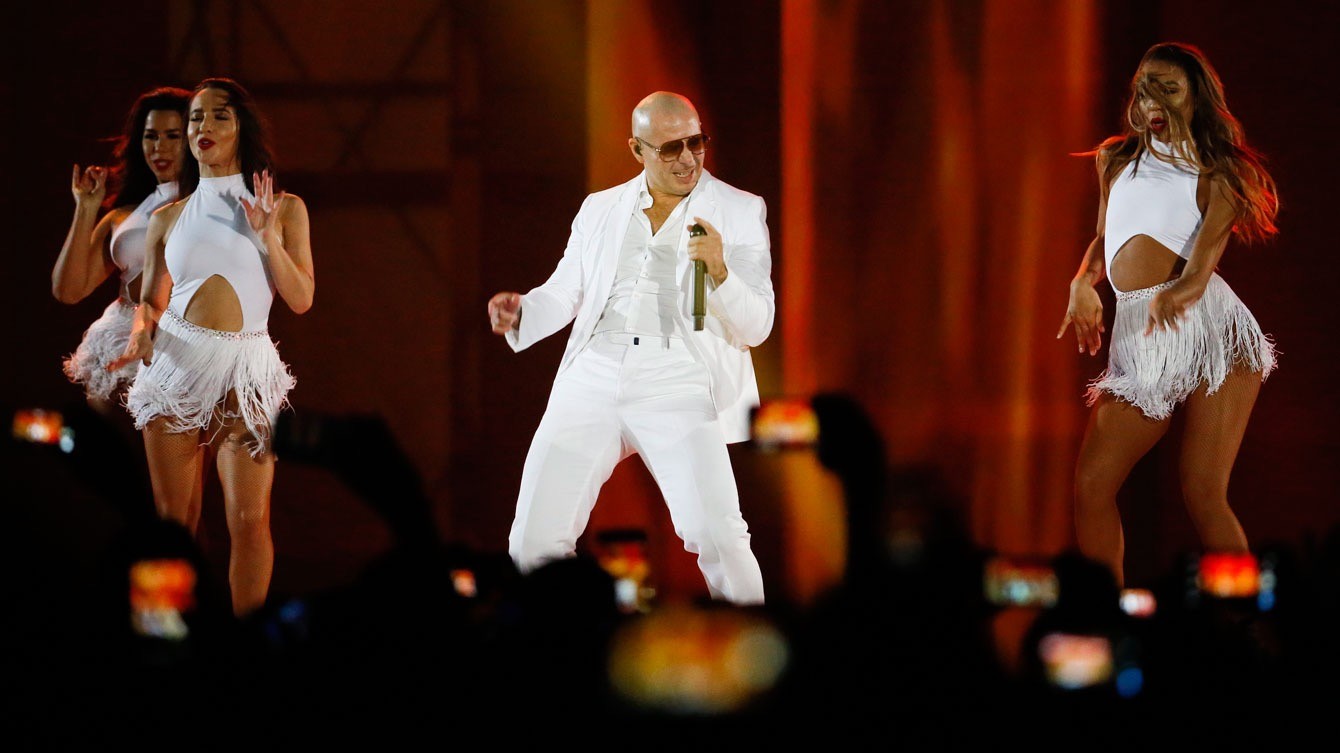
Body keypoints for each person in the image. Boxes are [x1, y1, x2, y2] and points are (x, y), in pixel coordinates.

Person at [487, 91, 772, 605]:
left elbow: (757, 325)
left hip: (679, 374)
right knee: (532, 540)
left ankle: (755, 645)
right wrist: (522, 311)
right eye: (670, 148)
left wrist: (721, 270)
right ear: (637, 150)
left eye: (695, 143)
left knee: (719, 536)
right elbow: (566, 291)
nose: (687, 159)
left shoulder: (738, 209)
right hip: (593, 370)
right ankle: (554, 643)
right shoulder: (600, 208)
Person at [1057, 43, 1279, 586]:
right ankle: (1107, 615)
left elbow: (1200, 272)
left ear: (1196, 96)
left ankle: (1245, 615)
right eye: (1143, 90)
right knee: (1092, 486)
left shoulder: (1218, 172)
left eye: (1169, 90)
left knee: (1204, 491)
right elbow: (1104, 240)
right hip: (1142, 331)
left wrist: (1175, 295)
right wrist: (1082, 282)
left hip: (1212, 329)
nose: (1152, 103)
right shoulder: (1115, 159)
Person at [110, 77, 314, 616]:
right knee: (173, 522)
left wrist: (268, 238)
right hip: (177, 361)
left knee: (249, 519)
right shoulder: (168, 218)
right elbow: (151, 300)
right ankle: (165, 634)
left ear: (242, 126)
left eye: (219, 115)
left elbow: (301, 299)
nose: (204, 126)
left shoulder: (285, 209)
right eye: (196, 117)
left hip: (246, 368)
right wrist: (140, 332)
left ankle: (247, 640)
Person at [54, 87, 191, 409]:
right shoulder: (125, 215)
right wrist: (86, 208)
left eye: (173, 136)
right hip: (122, 337)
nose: (159, 147)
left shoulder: (211, 208)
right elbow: (69, 290)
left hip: (186, 342)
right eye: (150, 136)